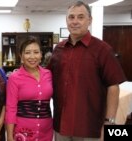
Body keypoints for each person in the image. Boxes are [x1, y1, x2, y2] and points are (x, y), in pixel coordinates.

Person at [47, 1, 126, 141]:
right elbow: (46, 79)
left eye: (80, 17)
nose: (75, 21)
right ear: (66, 20)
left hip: (89, 127)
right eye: (71, 17)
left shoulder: (103, 50)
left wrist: (110, 123)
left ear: (90, 20)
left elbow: (113, 87)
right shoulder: (59, 49)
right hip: (61, 125)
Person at [5, 36, 53, 141]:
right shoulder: (14, 78)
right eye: (27, 52)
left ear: (41, 55)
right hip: (23, 133)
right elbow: (11, 108)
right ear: (21, 56)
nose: (32, 56)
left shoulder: (48, 74)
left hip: (46, 132)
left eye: (36, 52)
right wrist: (9, 136)